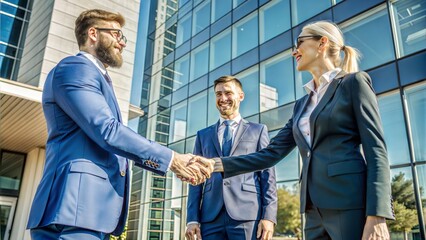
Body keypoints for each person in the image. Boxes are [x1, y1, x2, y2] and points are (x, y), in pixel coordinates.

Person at [192, 21, 394, 239]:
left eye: (299, 42)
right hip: (312, 209)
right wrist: (214, 164)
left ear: (322, 43)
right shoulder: (302, 104)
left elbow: (377, 152)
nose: (294, 51)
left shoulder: (354, 83)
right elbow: (270, 154)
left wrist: (377, 214)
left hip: (349, 203)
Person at [26, 9, 210, 240]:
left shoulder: (97, 77)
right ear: (93, 33)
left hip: (86, 212)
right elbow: (108, 131)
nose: (122, 43)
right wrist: (172, 159)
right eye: (117, 35)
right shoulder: (75, 68)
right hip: (74, 210)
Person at [185, 76, 277, 240]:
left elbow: (268, 176)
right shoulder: (202, 135)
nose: (223, 98)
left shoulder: (258, 131)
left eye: (228, 93)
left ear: (241, 96)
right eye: (218, 94)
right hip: (210, 217)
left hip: (247, 215)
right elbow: (195, 180)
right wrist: (192, 219)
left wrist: (269, 216)